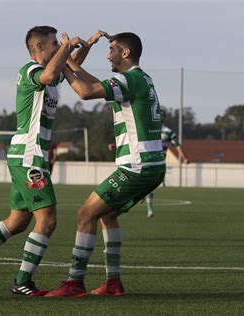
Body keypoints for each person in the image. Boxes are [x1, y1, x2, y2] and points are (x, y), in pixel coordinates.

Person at [0, 26, 88, 296]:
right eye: (52, 44)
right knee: (47, 221)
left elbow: (65, 69)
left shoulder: (48, 75)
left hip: (26, 156)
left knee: (17, 222)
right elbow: (51, 73)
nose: (55, 47)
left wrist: (85, 46)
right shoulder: (31, 71)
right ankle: (22, 281)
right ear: (38, 48)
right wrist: (67, 46)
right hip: (29, 156)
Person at [45, 31, 166, 297]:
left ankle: (75, 282)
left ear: (125, 53)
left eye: (111, 49)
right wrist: (69, 60)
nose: (107, 54)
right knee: (107, 215)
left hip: (137, 166)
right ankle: (113, 283)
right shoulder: (140, 78)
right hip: (152, 166)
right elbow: (95, 81)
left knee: (86, 214)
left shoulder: (129, 79)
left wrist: (62, 59)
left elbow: (86, 92)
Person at [144, 109, 189, 218]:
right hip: (146, 160)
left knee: (149, 185)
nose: (159, 117)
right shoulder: (146, 129)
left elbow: (177, 144)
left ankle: (145, 197)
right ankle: (149, 208)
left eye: (161, 115)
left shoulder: (168, 131)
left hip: (159, 162)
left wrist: (184, 158)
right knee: (147, 185)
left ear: (163, 118)